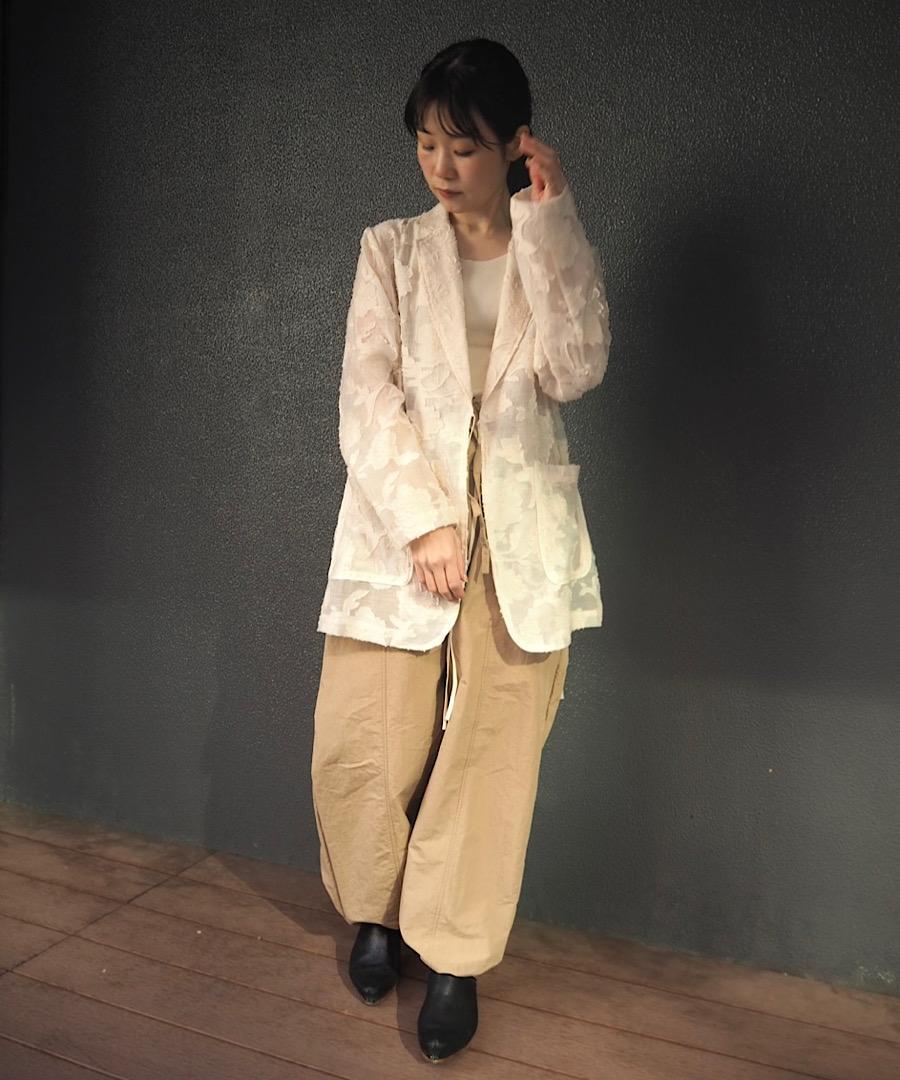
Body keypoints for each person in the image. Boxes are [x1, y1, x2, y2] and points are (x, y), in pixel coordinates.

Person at [311, 37, 611, 1062]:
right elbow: (365, 396)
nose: (440, 166)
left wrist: (551, 225)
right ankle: (378, 911)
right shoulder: (390, 250)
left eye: (465, 147)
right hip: (406, 522)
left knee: (492, 752)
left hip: (521, 533)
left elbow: (576, 367)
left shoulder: (547, 240)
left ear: (516, 144)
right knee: (366, 732)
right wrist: (424, 522)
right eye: (426, 143)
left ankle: (454, 954)